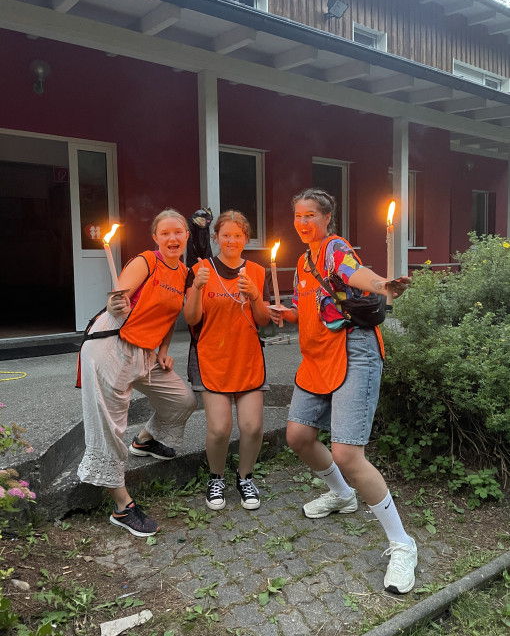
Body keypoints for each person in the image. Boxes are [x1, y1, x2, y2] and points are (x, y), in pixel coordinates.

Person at [270, 188, 416, 594]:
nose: (303, 222)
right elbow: (315, 307)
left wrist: (382, 284)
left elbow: (354, 273)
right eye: (298, 215)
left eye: (311, 215)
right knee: (299, 436)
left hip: (354, 352)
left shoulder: (335, 247)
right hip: (317, 357)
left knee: (348, 455)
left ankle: (403, 544)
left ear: (326, 218)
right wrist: (285, 312)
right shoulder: (303, 262)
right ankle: (342, 496)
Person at [77, 209, 197, 537]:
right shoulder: (146, 261)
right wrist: (116, 303)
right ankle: (122, 507)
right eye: (165, 233)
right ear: (156, 238)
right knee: (109, 426)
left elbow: (170, 316)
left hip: (145, 352)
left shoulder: (184, 273)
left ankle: (144, 440)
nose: (172, 238)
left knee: (183, 400)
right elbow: (119, 297)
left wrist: (163, 351)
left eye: (178, 232)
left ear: (187, 235)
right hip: (110, 346)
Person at [183, 210, 271, 511]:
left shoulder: (257, 271)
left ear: (246, 238)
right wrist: (197, 287)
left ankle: (245, 478)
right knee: (220, 428)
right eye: (226, 235)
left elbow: (263, 320)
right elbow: (191, 318)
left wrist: (255, 295)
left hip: (247, 358)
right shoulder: (201, 269)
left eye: (238, 235)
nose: (232, 240)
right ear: (216, 237)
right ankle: (216, 477)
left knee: (253, 427)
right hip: (212, 358)